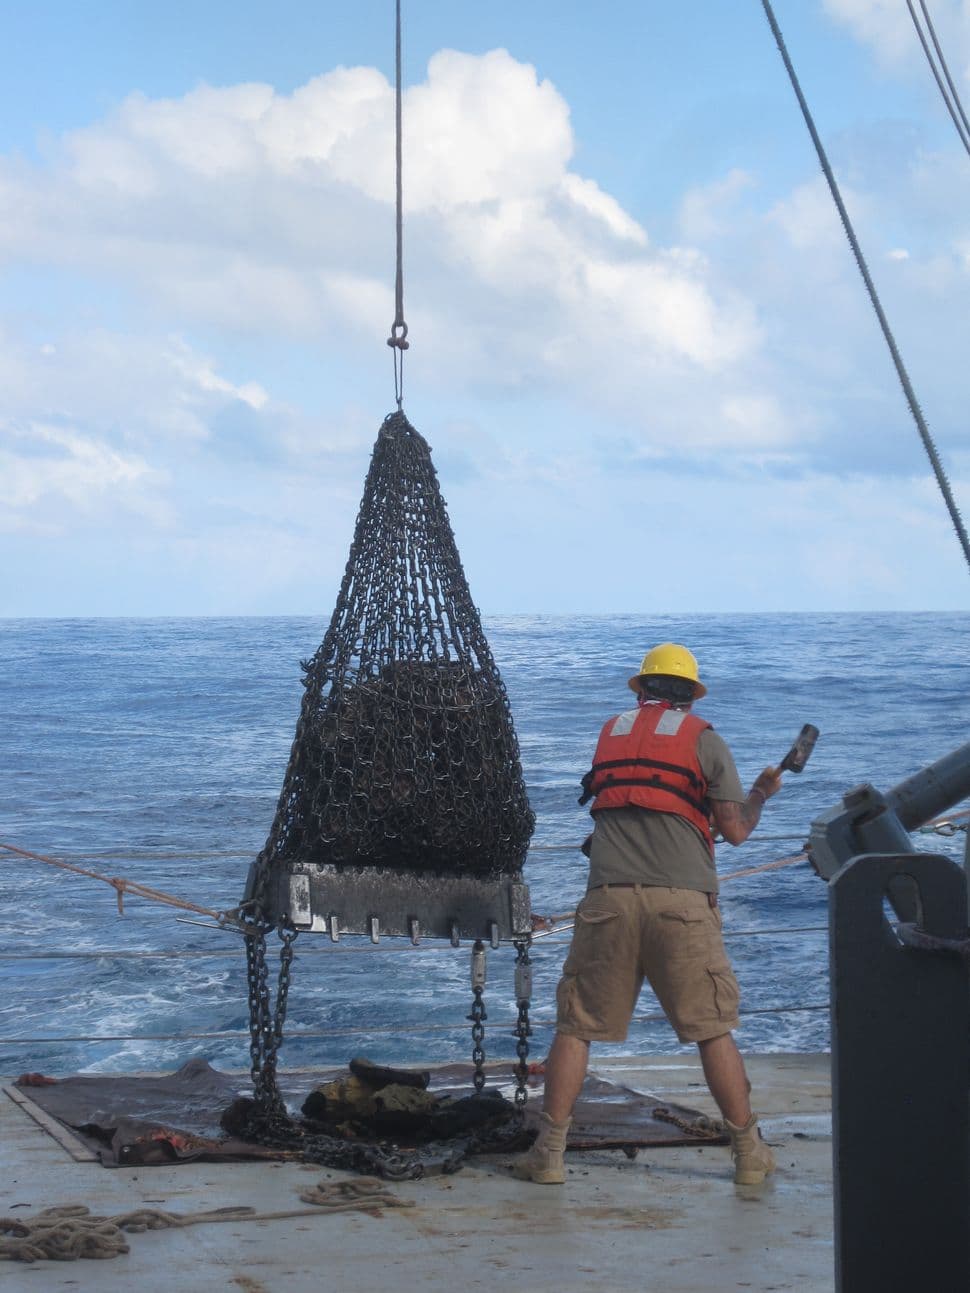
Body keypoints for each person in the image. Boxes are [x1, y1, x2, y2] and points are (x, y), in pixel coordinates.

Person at [513, 642, 783, 1187]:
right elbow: (734, 831)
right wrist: (759, 793)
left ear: (641, 689)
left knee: (576, 1027)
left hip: (609, 900)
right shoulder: (706, 740)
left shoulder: (610, 734)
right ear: (690, 694)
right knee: (712, 1029)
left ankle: (549, 1155)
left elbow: (629, 804)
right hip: (681, 905)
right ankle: (749, 1155)